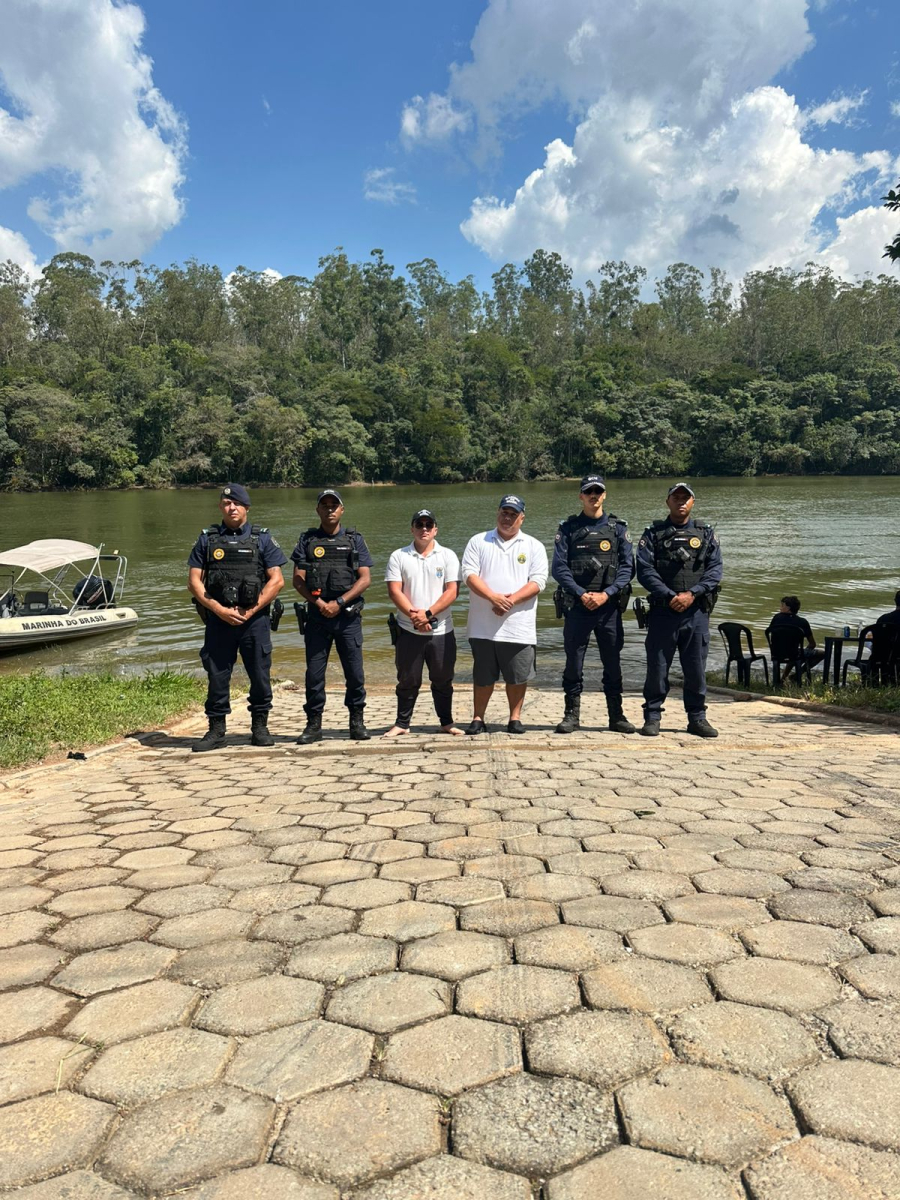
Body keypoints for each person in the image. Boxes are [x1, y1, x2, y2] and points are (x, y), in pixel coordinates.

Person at [187, 483, 287, 752]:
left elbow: (277, 581)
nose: (231, 508)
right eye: (226, 503)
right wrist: (219, 610)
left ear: (246, 508)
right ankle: (217, 731)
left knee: (260, 675)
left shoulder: (262, 539)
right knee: (218, 676)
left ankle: (260, 727)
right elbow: (194, 582)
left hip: (254, 621)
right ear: (221, 507)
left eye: (237, 504)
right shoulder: (207, 539)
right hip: (220, 620)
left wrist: (251, 610)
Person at [551, 473, 636, 734]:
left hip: (608, 606)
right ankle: (571, 715)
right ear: (581, 496)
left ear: (604, 495)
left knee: (612, 661)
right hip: (578, 607)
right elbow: (559, 568)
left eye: (598, 491)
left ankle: (616, 715)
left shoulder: (618, 528)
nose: (594, 496)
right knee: (573, 663)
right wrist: (580, 593)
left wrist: (606, 593)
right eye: (589, 492)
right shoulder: (568, 528)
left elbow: (627, 568)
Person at [636, 482, 723, 738]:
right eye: (676, 498)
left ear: (693, 502)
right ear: (668, 502)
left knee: (695, 669)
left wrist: (691, 594)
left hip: (696, 612)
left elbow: (715, 571)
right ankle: (652, 717)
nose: (681, 502)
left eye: (686, 498)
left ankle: (697, 718)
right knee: (657, 668)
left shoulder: (705, 534)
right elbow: (644, 570)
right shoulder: (653, 534)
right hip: (663, 612)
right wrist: (670, 595)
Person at [461, 494, 548, 734]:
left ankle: (515, 718)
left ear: (522, 517)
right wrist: (493, 597)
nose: (507, 518)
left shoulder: (534, 546)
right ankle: (478, 718)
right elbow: (469, 574)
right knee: (482, 676)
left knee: (518, 676)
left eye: (513, 514)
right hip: (482, 626)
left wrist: (508, 601)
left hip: (519, 626)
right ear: (497, 512)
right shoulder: (478, 541)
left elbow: (539, 581)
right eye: (504, 512)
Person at [291, 489, 373, 743]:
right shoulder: (307, 540)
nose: (329, 509)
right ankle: (314, 725)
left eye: (334, 505)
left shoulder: (355, 539)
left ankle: (356, 722)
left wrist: (339, 602)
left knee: (355, 673)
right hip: (317, 618)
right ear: (317, 510)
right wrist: (319, 603)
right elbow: (297, 579)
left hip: (347, 617)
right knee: (314, 675)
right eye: (324, 505)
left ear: (342, 510)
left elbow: (365, 578)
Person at [384, 509, 462, 737]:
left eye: (429, 525)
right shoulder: (399, 556)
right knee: (407, 679)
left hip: (442, 630)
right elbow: (394, 591)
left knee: (443, 679)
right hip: (408, 630)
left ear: (436, 529)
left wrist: (427, 614)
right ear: (412, 529)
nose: (424, 529)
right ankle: (402, 724)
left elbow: (452, 591)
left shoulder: (447, 555)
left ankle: (446, 722)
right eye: (420, 524)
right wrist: (415, 617)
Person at [766, 596, 825, 682]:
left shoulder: (776, 618)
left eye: (782, 605)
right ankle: (798, 674)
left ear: (788, 608)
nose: (780, 607)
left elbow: (770, 631)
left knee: (793, 651)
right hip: (794, 653)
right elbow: (812, 644)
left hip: (776, 652)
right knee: (823, 653)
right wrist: (803, 655)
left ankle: (783, 678)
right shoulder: (802, 622)